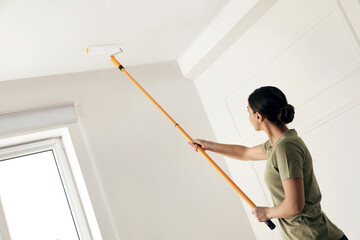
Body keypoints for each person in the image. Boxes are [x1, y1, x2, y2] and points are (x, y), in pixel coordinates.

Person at [188, 86, 348, 240]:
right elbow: (245, 152)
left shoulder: (286, 147)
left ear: (258, 116)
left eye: (248, 112)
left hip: (313, 236)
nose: (249, 117)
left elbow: (294, 205)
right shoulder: (277, 145)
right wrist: (207, 145)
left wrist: (267, 213)